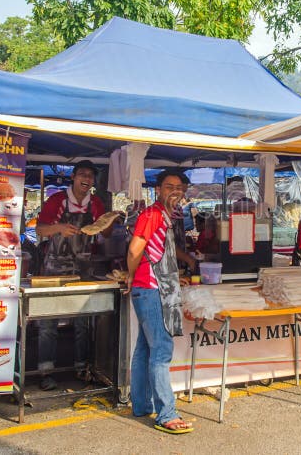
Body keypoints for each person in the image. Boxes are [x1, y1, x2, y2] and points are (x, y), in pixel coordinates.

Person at [126, 169, 197, 434]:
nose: (175, 192)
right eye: (170, 187)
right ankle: (166, 413)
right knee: (161, 350)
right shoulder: (153, 214)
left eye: (179, 188)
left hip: (157, 287)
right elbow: (135, 249)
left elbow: (161, 250)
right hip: (151, 288)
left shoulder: (165, 216)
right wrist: (132, 276)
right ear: (158, 189)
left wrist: (178, 272)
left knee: (145, 348)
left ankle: (142, 406)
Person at [35, 160, 112, 391]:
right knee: (48, 322)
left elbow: (105, 233)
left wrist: (110, 220)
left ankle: (82, 368)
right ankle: (45, 371)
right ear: (74, 177)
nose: (86, 179)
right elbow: (40, 229)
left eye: (90, 176)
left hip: (83, 268)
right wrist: (59, 228)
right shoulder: (58, 200)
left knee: (82, 322)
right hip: (55, 268)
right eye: (82, 174)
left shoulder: (95, 203)